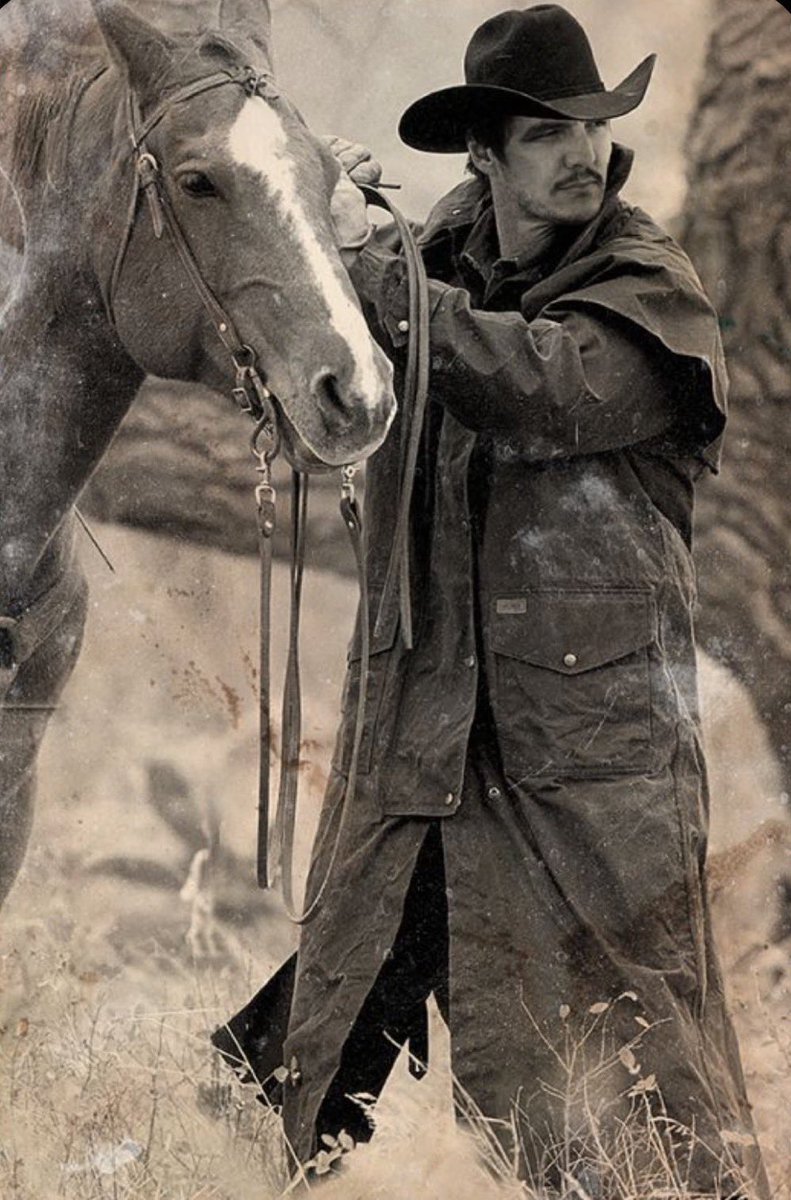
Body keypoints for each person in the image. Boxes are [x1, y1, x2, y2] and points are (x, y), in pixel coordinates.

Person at [215, 7, 768, 1194]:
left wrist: (370, 273)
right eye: (546, 134)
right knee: (315, 1049)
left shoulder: (644, 290)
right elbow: (365, 346)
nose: (583, 154)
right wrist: (331, 240)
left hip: (589, 773)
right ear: (484, 154)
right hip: (424, 746)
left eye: (592, 129)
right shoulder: (441, 259)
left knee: (634, 1089)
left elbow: (534, 383)